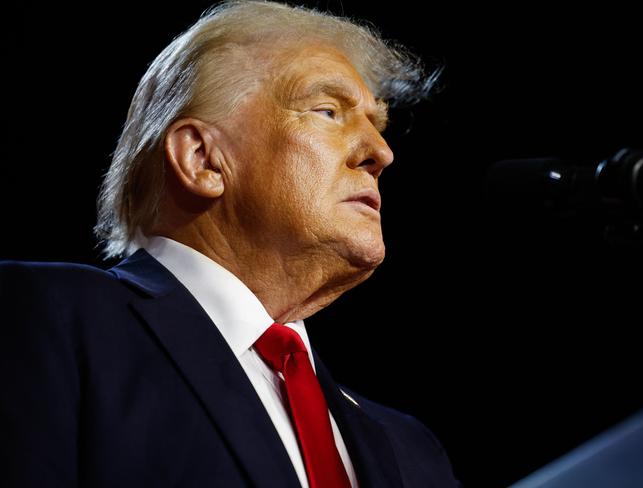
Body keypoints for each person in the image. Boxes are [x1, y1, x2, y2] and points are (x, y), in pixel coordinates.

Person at [0, 1, 460, 486]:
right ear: (202, 159)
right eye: (328, 111)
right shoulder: (44, 316)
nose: (380, 153)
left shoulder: (412, 451)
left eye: (378, 125)